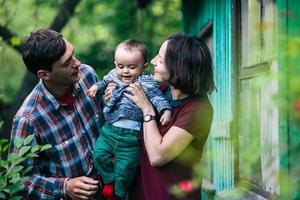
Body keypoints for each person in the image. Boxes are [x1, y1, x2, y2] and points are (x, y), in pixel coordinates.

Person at [9, 28, 104, 199]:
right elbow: (18, 179)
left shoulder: (87, 76)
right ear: (44, 74)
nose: (77, 63)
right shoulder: (28, 119)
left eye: (73, 55)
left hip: (113, 187)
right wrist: (64, 187)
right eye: (67, 63)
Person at [122, 33, 215, 200]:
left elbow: (157, 156)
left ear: (179, 67)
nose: (153, 62)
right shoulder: (162, 90)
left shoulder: (198, 110)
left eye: (161, 59)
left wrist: (147, 110)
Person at [87, 39, 171, 200]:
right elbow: (103, 82)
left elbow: (157, 97)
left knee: (126, 169)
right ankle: (109, 181)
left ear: (143, 67)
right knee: (98, 155)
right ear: (115, 64)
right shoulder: (113, 76)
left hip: (131, 138)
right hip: (109, 131)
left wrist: (165, 110)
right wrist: (96, 87)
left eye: (132, 67)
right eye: (121, 66)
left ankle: (119, 194)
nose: (125, 71)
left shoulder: (147, 83)